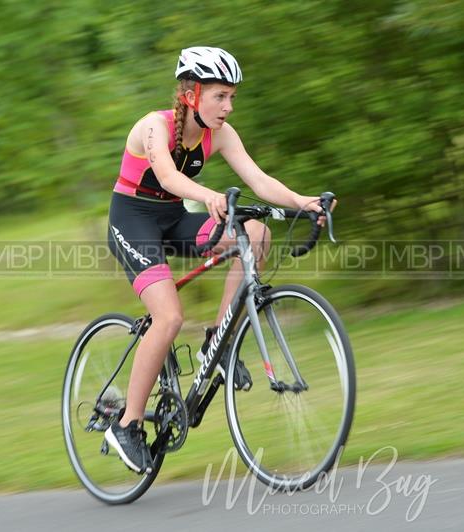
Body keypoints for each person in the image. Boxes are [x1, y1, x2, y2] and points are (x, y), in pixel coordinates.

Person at [104, 46, 325, 474]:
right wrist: (210, 197)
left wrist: (303, 201)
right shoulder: (155, 127)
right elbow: (168, 177)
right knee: (168, 318)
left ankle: (216, 342)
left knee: (256, 233)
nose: (227, 106)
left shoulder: (221, 134)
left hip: (172, 218)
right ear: (191, 94)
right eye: (219, 96)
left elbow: (258, 180)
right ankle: (127, 424)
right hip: (132, 222)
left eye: (231, 98)